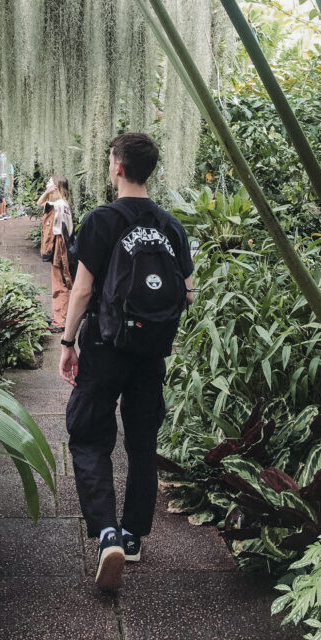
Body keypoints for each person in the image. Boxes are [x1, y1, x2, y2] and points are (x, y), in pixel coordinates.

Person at [59, 133, 194, 591]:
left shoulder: (101, 221)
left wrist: (67, 341)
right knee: (141, 441)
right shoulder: (170, 225)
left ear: (117, 167)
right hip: (150, 353)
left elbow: (80, 290)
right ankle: (133, 534)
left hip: (104, 346)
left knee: (89, 435)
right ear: (148, 170)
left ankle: (107, 532)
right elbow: (188, 292)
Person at [37, 175, 74, 333]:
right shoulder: (62, 204)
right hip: (62, 245)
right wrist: (47, 192)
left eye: (49, 183)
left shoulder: (58, 205)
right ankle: (58, 316)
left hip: (59, 246)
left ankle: (60, 320)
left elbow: (40, 203)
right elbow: (40, 203)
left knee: (59, 285)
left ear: (56, 188)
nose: (46, 185)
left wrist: (47, 193)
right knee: (60, 282)